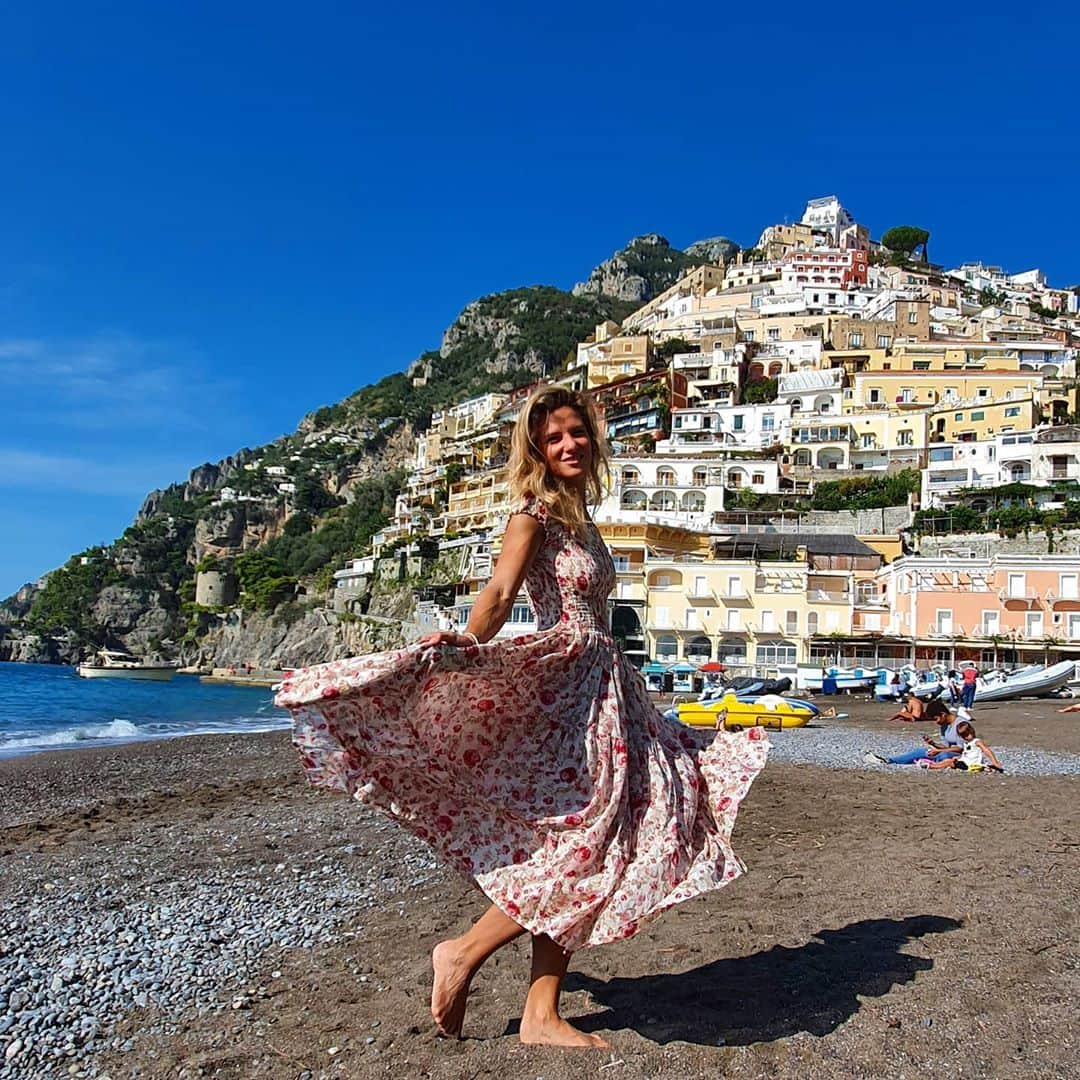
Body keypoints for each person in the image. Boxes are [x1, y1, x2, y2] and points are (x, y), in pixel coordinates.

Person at [274, 385, 769, 1049]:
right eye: (553, 438)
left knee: (601, 832)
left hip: (605, 689)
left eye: (575, 433)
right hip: (561, 690)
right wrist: (458, 657)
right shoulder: (531, 517)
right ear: (536, 451)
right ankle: (464, 954)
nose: (568, 445)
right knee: (579, 840)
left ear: (592, 438)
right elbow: (501, 595)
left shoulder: (584, 522)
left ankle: (540, 1014)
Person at [865, 699, 966, 765]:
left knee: (941, 755)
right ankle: (889, 760)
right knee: (922, 751)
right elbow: (947, 747)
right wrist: (933, 744)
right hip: (948, 753)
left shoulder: (960, 724)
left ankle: (929, 762)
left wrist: (938, 751)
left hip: (963, 755)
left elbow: (961, 749)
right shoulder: (944, 726)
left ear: (943, 714)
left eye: (936, 719)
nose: (936, 722)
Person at [924, 720, 1004, 772]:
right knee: (949, 760)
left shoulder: (976, 741)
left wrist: (995, 762)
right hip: (966, 762)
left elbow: (987, 751)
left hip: (971, 764)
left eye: (967, 734)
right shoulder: (966, 743)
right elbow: (966, 754)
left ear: (972, 731)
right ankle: (932, 765)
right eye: (963, 736)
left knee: (949, 762)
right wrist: (958, 758)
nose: (966, 737)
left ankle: (931, 766)